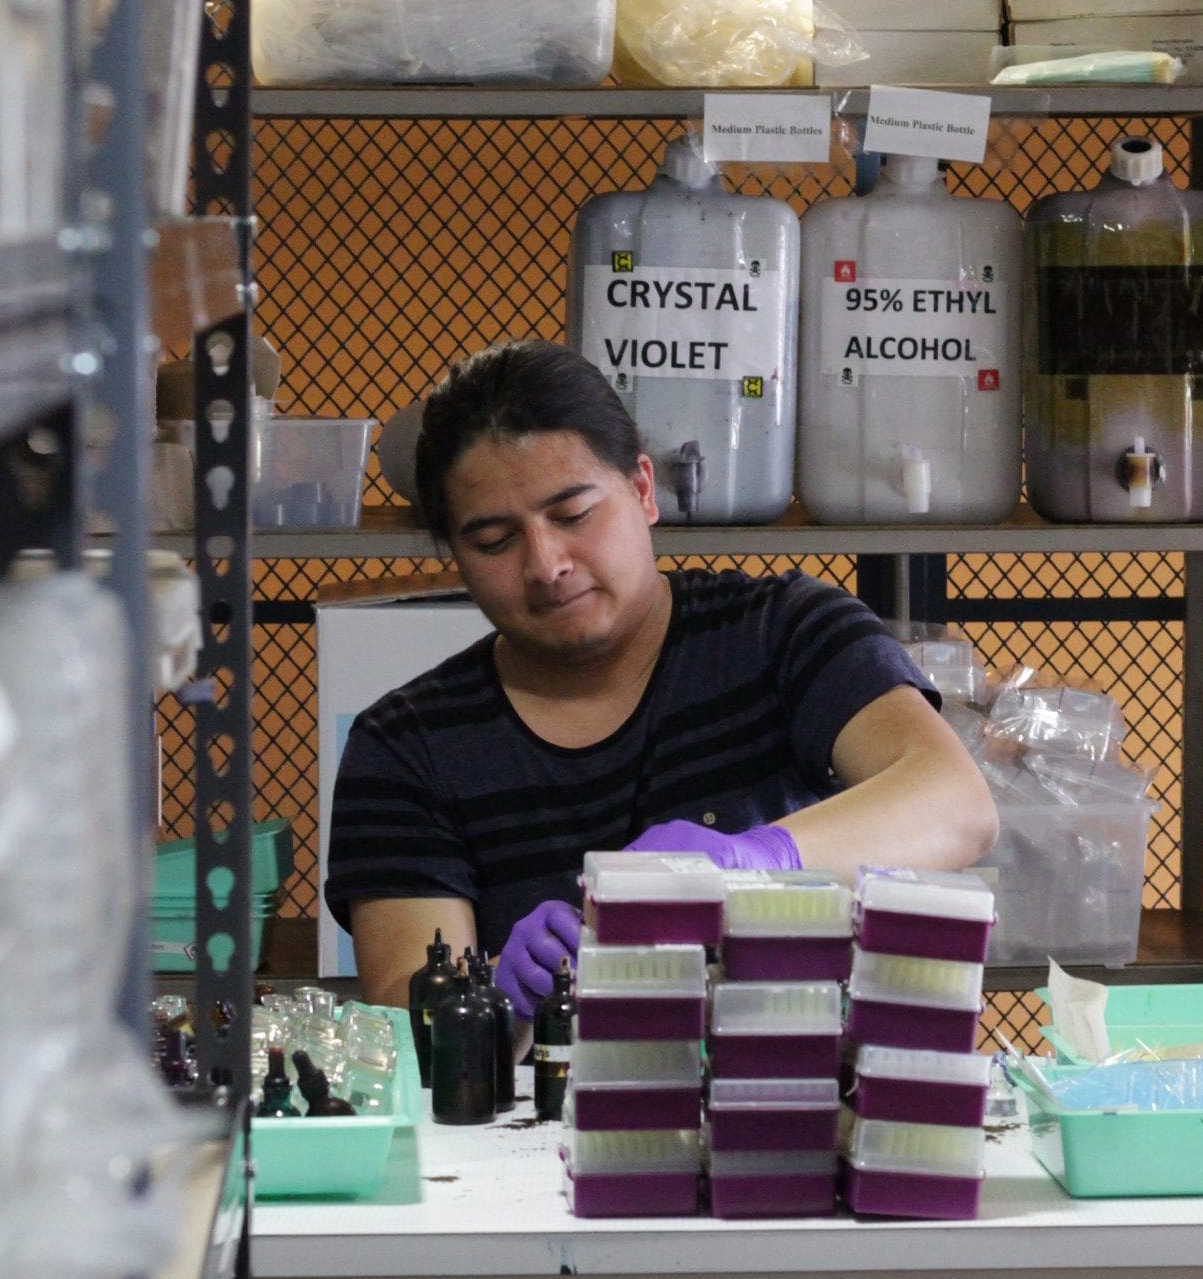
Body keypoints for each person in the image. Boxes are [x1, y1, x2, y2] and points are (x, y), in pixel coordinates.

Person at [328, 340, 998, 1026]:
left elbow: (957, 803)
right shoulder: (407, 746)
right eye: (495, 541)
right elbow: (401, 1011)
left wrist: (752, 862)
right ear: (455, 555)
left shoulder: (781, 630)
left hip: (796, 1071)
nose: (546, 564)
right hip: (543, 1093)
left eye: (573, 514)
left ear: (643, 490)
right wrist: (500, 994)